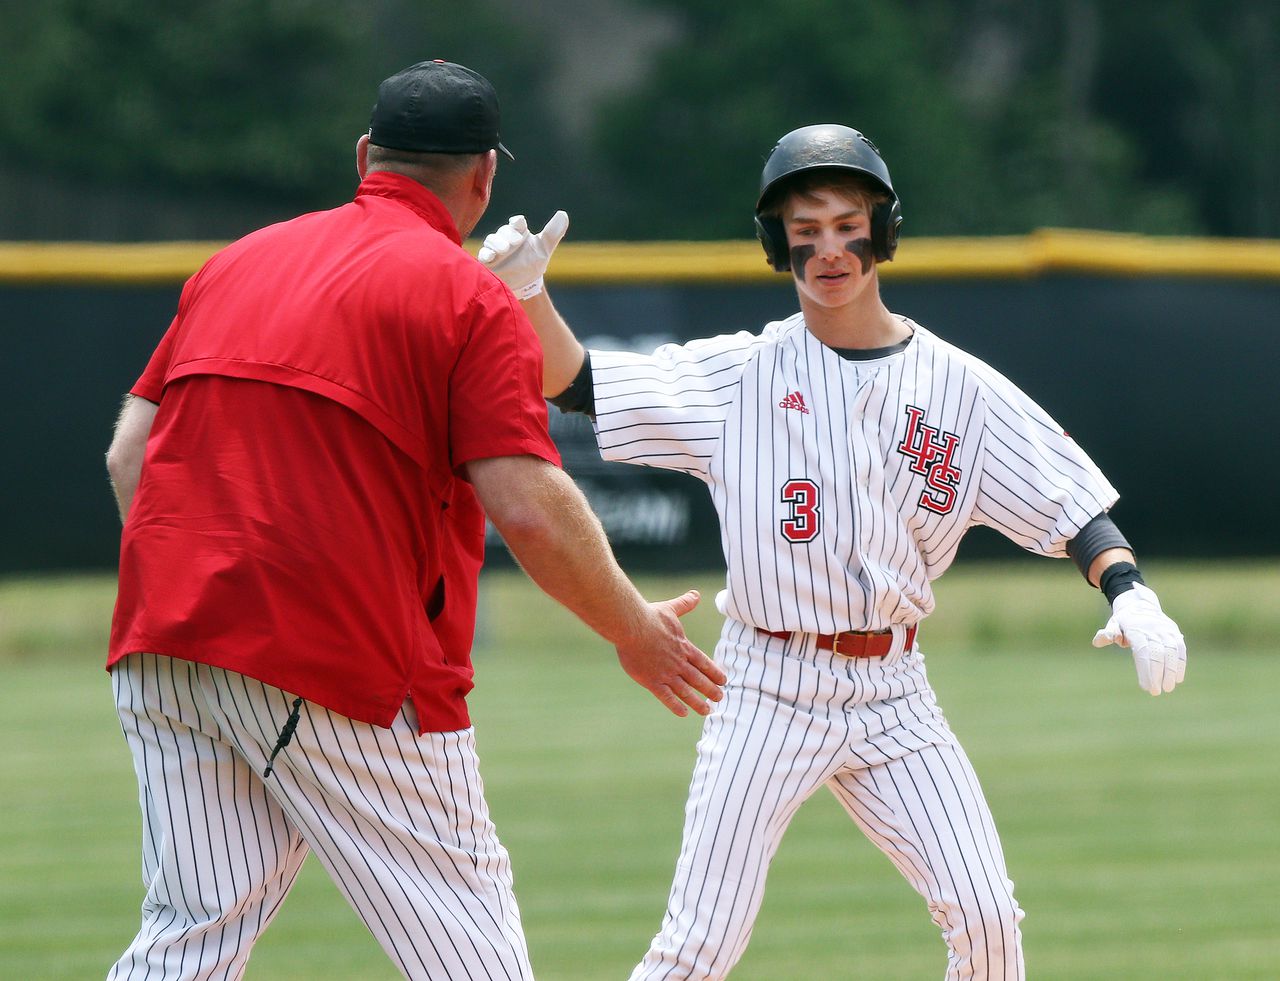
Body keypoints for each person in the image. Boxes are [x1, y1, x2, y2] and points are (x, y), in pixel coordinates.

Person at [476, 123, 1187, 979]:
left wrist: (1131, 594)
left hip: (895, 695)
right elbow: (580, 382)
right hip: (768, 687)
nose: (828, 249)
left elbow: (1073, 504)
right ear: (778, 247)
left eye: (846, 224)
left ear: (882, 230)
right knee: (698, 944)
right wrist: (530, 297)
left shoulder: (959, 386)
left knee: (990, 918)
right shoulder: (742, 375)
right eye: (804, 232)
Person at [102, 59, 726, 981]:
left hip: (162, 648)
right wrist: (635, 631)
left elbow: (129, 457)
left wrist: (192, 588)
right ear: (484, 178)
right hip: (334, 662)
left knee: (189, 938)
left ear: (364, 155)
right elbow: (529, 508)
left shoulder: (237, 261)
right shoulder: (467, 295)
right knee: (474, 955)